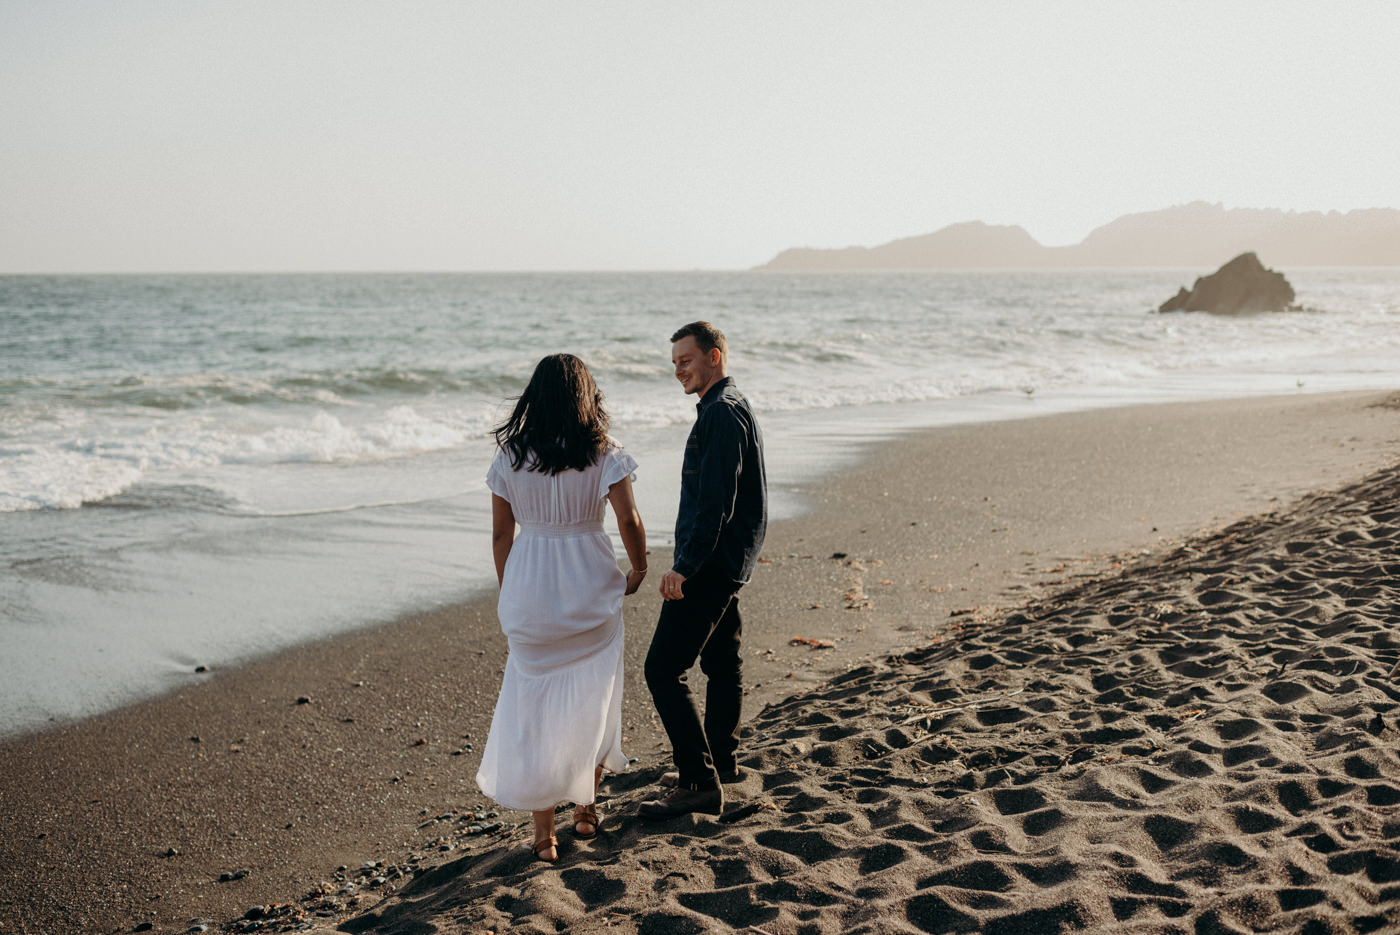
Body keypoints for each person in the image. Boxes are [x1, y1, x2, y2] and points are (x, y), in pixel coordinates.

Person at [476, 353, 648, 862]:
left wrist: (514, 589)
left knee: (535, 711)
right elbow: (630, 520)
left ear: (535, 396)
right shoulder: (605, 453)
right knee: (593, 698)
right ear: (585, 396)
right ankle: (587, 810)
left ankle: (544, 836)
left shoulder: (509, 457)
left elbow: (501, 535)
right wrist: (636, 570)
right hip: (589, 589)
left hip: (531, 590)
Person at [639, 322, 767, 819]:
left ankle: (698, 780)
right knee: (721, 663)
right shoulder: (731, 407)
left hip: (711, 562)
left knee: (662, 670)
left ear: (714, 357)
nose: (678, 371)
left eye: (686, 361)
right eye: (674, 363)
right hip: (731, 558)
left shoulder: (721, 414)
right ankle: (722, 764)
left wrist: (684, 567)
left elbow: (715, 502)